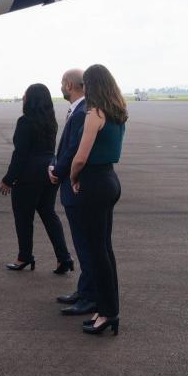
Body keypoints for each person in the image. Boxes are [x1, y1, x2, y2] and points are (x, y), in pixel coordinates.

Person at [71, 63, 127, 336]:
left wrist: (72, 177)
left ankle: (107, 313)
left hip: (93, 182)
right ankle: (108, 308)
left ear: (92, 85)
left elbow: (81, 156)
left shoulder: (94, 114)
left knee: (97, 252)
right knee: (105, 249)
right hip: (110, 180)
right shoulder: (118, 112)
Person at [0, 83, 72, 273]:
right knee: (49, 214)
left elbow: (20, 154)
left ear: (30, 100)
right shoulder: (51, 122)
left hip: (29, 176)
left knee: (24, 218)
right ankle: (64, 258)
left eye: (25, 94)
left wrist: (8, 179)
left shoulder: (25, 122)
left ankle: (24, 257)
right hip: (49, 171)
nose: (22, 96)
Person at [50, 68, 97, 317]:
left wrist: (57, 170)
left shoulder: (81, 112)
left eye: (61, 82)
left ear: (69, 85)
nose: (60, 86)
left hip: (76, 186)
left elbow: (72, 150)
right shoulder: (80, 110)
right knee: (82, 244)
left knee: (83, 243)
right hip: (75, 184)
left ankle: (89, 296)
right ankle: (84, 289)